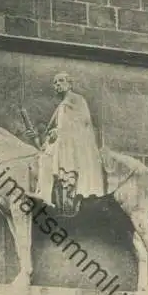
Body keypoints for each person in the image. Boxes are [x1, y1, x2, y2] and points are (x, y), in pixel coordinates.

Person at [25, 72, 104, 208]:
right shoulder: (60, 107)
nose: (57, 85)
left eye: (61, 81)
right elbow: (49, 138)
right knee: (42, 158)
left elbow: (84, 122)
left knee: (46, 159)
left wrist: (61, 130)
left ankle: (45, 195)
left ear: (70, 84)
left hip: (73, 145)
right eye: (55, 83)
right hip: (61, 143)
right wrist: (36, 137)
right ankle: (43, 194)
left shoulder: (77, 100)